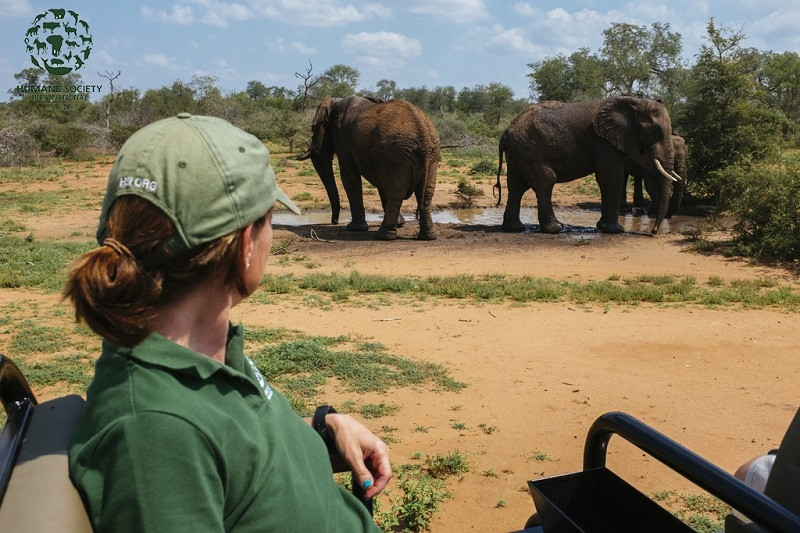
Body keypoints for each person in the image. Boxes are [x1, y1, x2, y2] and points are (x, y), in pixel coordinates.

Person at [64, 113, 391, 532]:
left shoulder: (199, 354)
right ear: (244, 247)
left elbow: (235, 452)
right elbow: (189, 451)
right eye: (268, 219)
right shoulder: (155, 431)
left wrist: (325, 430)